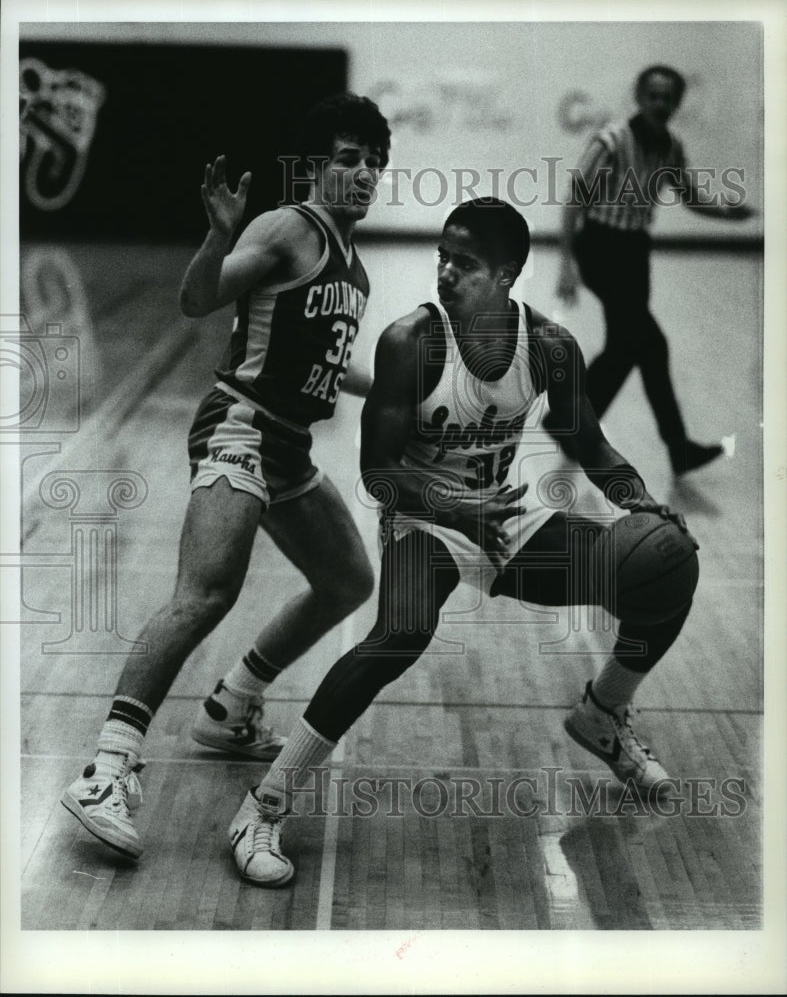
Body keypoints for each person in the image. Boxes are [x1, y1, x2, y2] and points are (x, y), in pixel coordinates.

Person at [226, 197, 698, 887]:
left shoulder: (548, 346)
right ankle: (262, 806)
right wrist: (453, 505)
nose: (445, 272)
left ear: (506, 274)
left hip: (504, 516)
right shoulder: (410, 341)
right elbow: (378, 477)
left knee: (669, 570)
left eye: (465, 263)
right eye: (442, 256)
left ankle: (604, 712)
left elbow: (587, 442)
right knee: (400, 632)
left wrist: (639, 500)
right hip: (427, 518)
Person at [61, 93, 391, 860]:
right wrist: (216, 237)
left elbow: (323, 368)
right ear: (314, 168)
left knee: (346, 580)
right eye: (348, 159)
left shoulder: (354, 263)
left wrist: (411, 388)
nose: (364, 175)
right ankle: (106, 770)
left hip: (287, 449)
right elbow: (197, 297)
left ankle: (230, 706)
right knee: (204, 592)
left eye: (375, 163)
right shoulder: (288, 228)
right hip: (239, 429)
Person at [556, 64, 753, 475]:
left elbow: (688, 196)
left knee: (632, 346)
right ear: (640, 97)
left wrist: (728, 214)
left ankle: (570, 423)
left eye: (669, 98)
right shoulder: (611, 140)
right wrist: (567, 264)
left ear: (677, 103)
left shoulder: (670, 146)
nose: (661, 104)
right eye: (654, 96)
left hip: (633, 252)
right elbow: (575, 199)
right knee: (647, 344)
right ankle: (676, 449)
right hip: (599, 248)